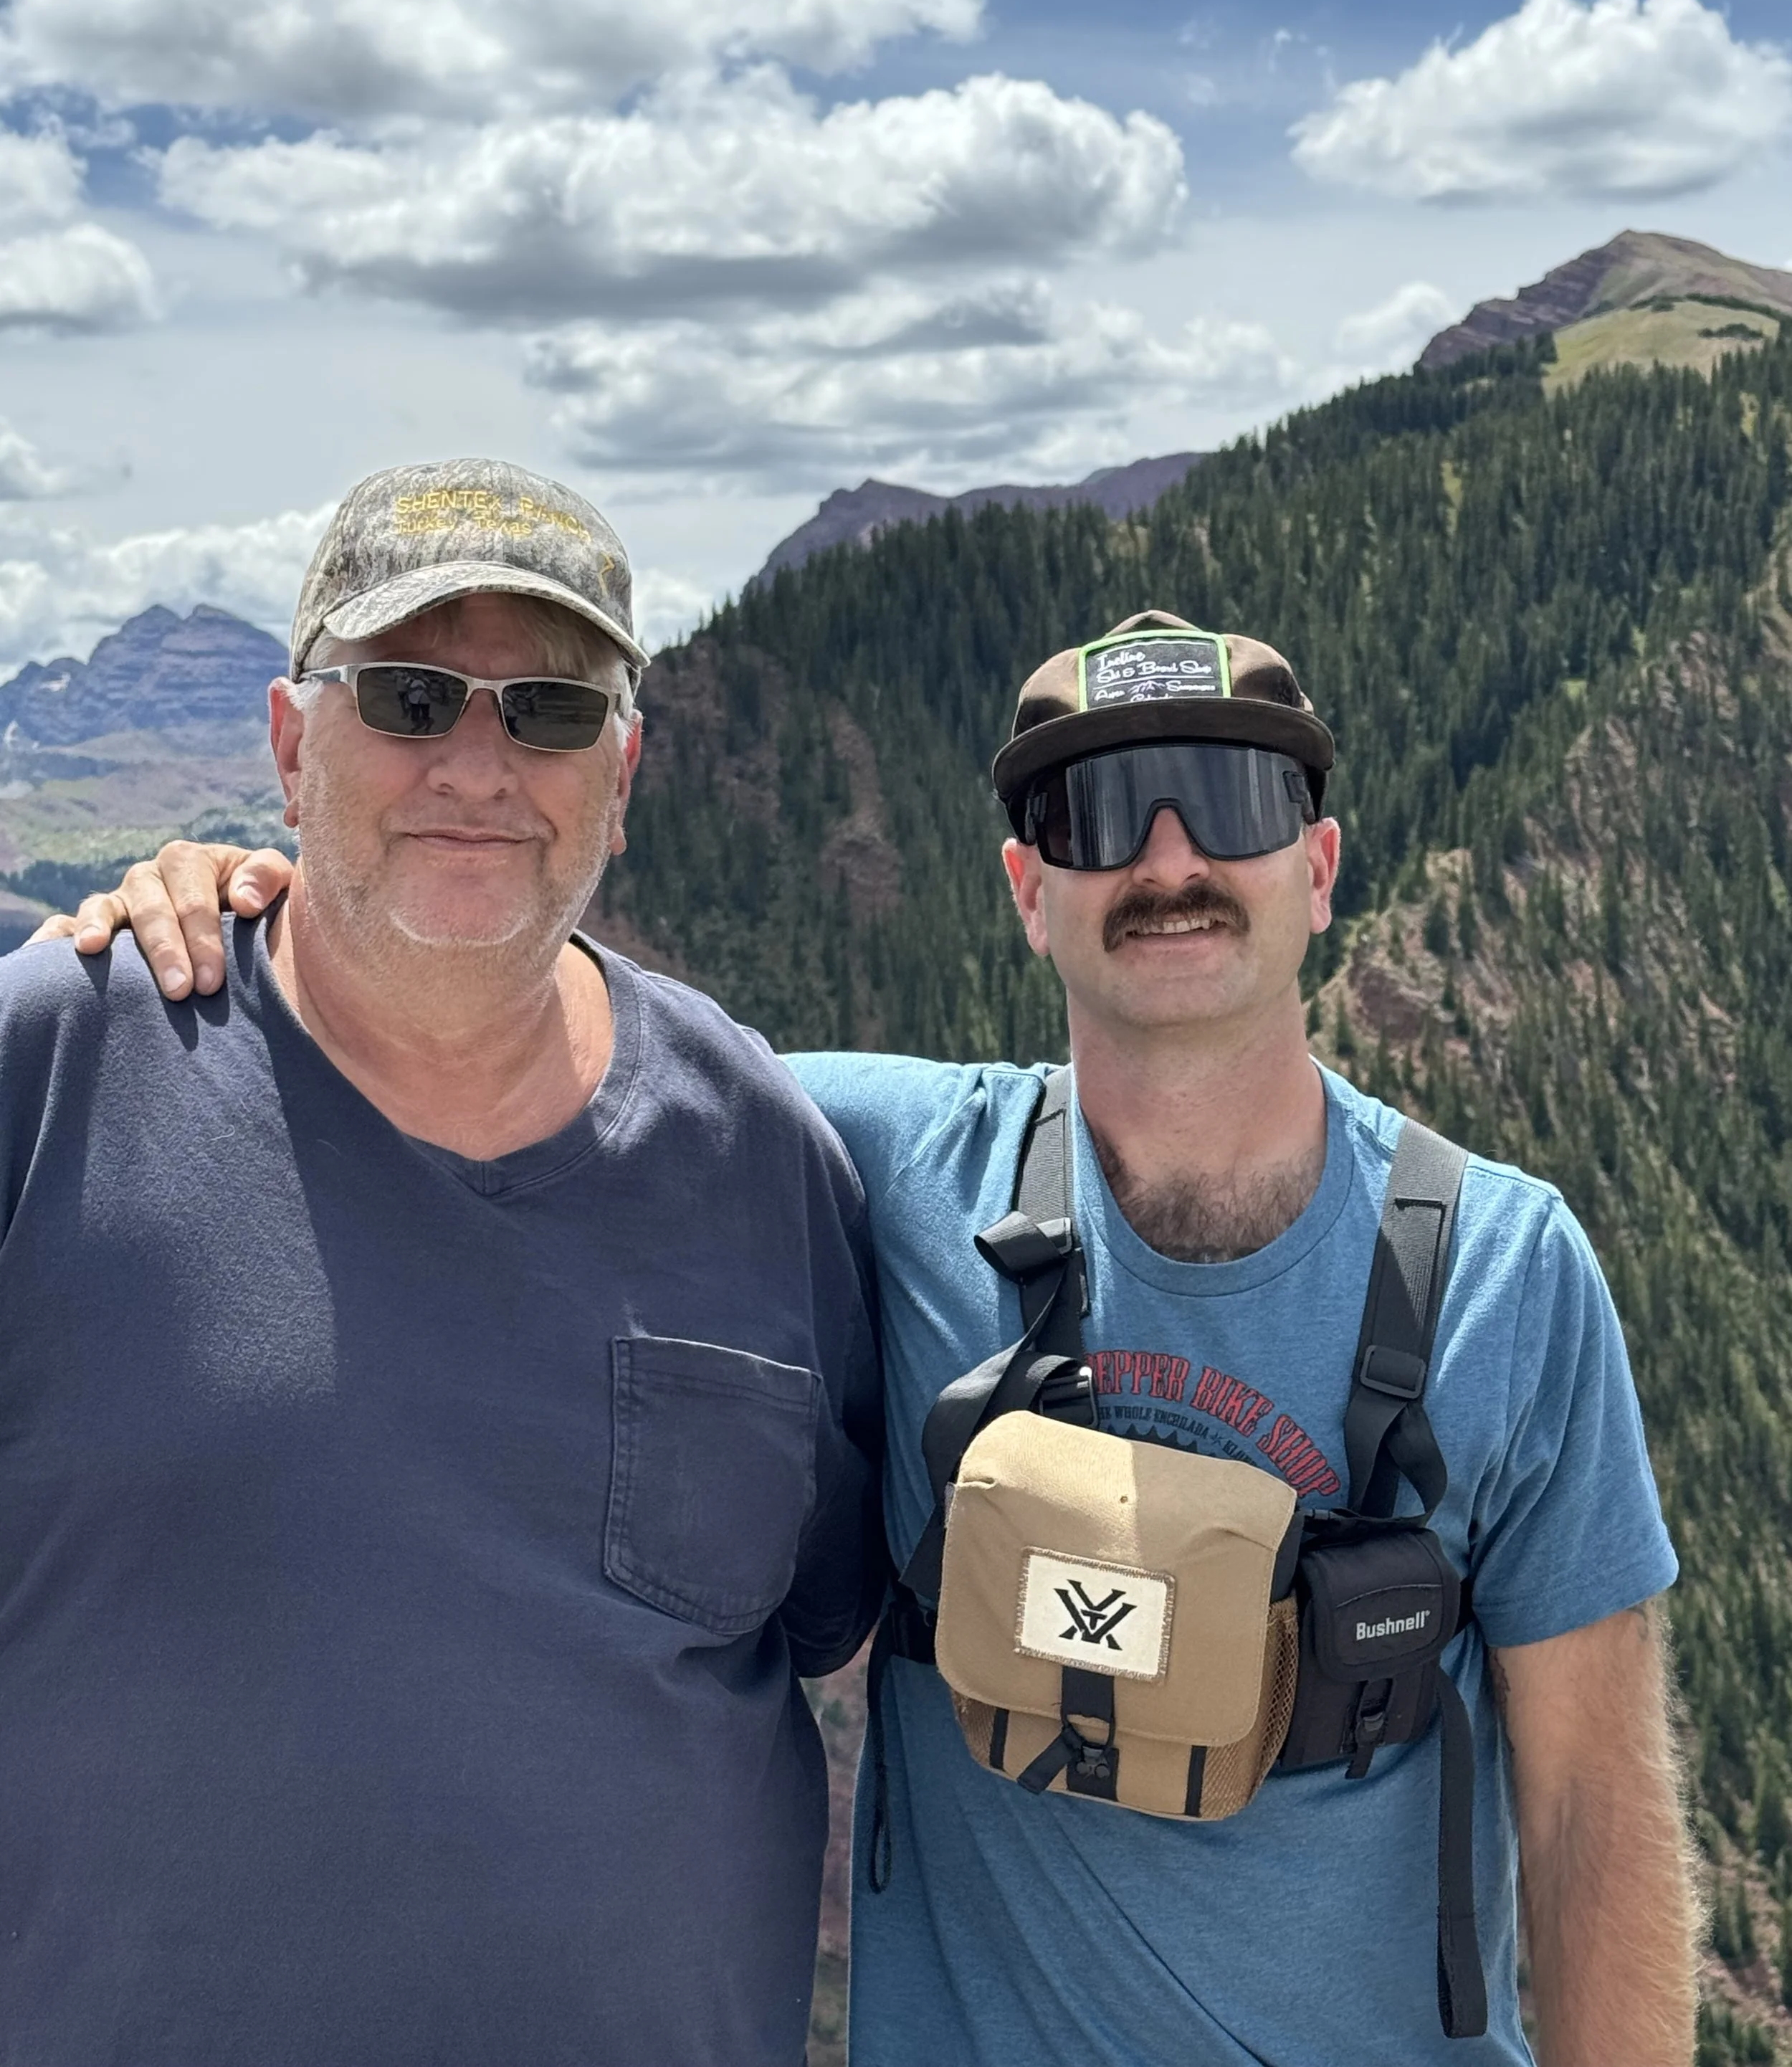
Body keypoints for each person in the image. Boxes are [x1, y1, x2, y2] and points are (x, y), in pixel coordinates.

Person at [62, 608, 1696, 2066]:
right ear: (1023, 890)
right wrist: (258, 902)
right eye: (1096, 810)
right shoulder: (861, 1161)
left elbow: (1592, 1821)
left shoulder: (1505, 1269)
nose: (1170, 856)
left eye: (1239, 799)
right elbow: (518, 1027)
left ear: (1320, 868)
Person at [5, 457, 882, 2067]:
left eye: (546, 712)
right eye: (409, 696)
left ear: (618, 775)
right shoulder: (56, 1070)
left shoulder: (759, 1152)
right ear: (288, 746)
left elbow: (836, 1625)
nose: (477, 762)